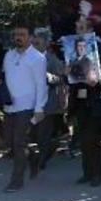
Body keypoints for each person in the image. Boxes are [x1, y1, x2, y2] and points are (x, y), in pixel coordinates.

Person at [70, 17, 101, 187]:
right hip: (80, 102)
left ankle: (97, 174)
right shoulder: (74, 49)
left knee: (93, 139)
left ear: (90, 30)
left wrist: (98, 82)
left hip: (96, 101)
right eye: (77, 28)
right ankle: (87, 173)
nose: (79, 30)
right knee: (83, 140)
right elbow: (71, 76)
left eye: (82, 28)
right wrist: (66, 73)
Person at [2, 24, 48, 193]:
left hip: (27, 106)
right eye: (15, 34)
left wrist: (39, 108)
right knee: (9, 140)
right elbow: (6, 78)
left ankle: (16, 180)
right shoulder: (8, 55)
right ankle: (33, 157)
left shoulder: (37, 58)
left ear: (30, 37)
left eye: (22, 34)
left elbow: (41, 84)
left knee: (18, 142)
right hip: (9, 106)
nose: (18, 37)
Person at [31, 31, 69, 170]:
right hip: (31, 103)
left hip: (48, 103)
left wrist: (48, 77)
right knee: (34, 134)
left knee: (43, 134)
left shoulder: (52, 59)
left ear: (46, 43)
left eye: (38, 41)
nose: (35, 44)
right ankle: (50, 147)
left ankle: (41, 161)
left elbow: (62, 79)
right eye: (34, 40)